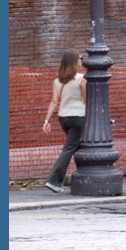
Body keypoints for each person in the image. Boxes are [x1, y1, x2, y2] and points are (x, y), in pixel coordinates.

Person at [42, 50, 87, 193]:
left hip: (63, 118)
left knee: (78, 147)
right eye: (81, 58)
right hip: (78, 116)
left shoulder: (57, 81)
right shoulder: (81, 78)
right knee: (69, 149)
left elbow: (54, 101)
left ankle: (84, 177)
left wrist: (46, 121)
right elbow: (87, 100)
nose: (82, 61)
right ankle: (53, 181)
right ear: (74, 61)